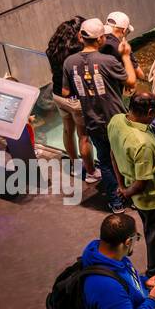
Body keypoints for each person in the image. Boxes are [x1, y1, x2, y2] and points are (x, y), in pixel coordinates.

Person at [63, 17, 135, 211]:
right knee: (125, 158)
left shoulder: (69, 62)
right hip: (117, 120)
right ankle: (134, 196)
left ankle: (116, 201)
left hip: (92, 119)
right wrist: (126, 56)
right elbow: (131, 82)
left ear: (80, 37)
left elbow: (65, 92)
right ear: (101, 39)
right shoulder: (108, 60)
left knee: (105, 160)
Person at [108, 92, 155, 277]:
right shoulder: (142, 143)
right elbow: (141, 183)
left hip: (135, 195)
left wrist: (121, 186)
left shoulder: (116, 120)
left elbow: (113, 153)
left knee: (151, 231)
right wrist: (127, 193)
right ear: (150, 111)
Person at [46, 17, 99, 187]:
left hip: (57, 95)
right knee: (84, 136)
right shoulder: (77, 51)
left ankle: (75, 166)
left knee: (68, 129)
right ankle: (91, 172)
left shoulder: (53, 47)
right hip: (76, 99)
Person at [103, 11, 145, 87]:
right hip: (115, 89)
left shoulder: (99, 41)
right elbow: (139, 74)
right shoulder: (122, 47)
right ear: (124, 30)